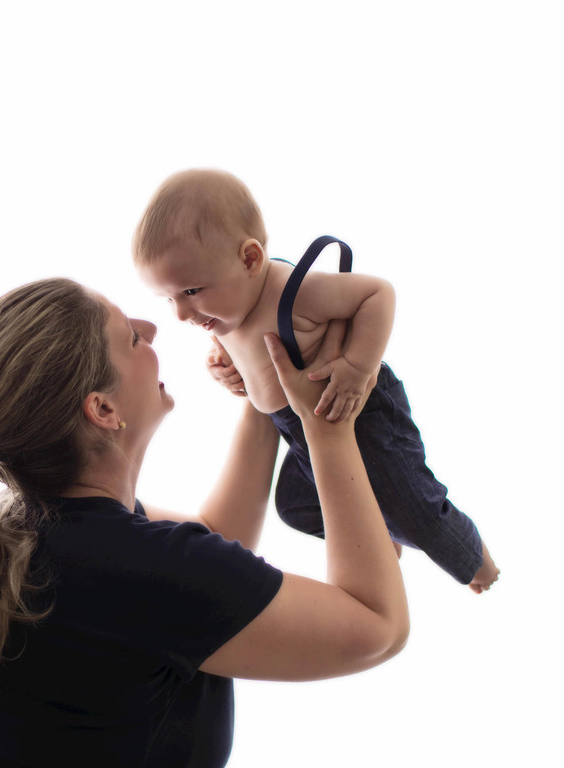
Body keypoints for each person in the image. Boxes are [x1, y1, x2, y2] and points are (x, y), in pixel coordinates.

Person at [0, 278, 408, 768]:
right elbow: (377, 627)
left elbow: (212, 545)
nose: (151, 329)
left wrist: (266, 389)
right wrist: (327, 424)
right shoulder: (134, 569)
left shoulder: (26, 527)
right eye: (131, 339)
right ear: (101, 410)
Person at [132, 169, 501, 593]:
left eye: (191, 291)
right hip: (300, 429)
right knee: (295, 505)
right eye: (169, 298)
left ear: (250, 259)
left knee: (413, 509)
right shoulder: (223, 306)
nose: (181, 313)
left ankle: (478, 565)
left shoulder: (292, 290)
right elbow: (245, 353)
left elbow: (376, 294)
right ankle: (382, 541)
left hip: (361, 416)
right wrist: (226, 367)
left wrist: (358, 368)